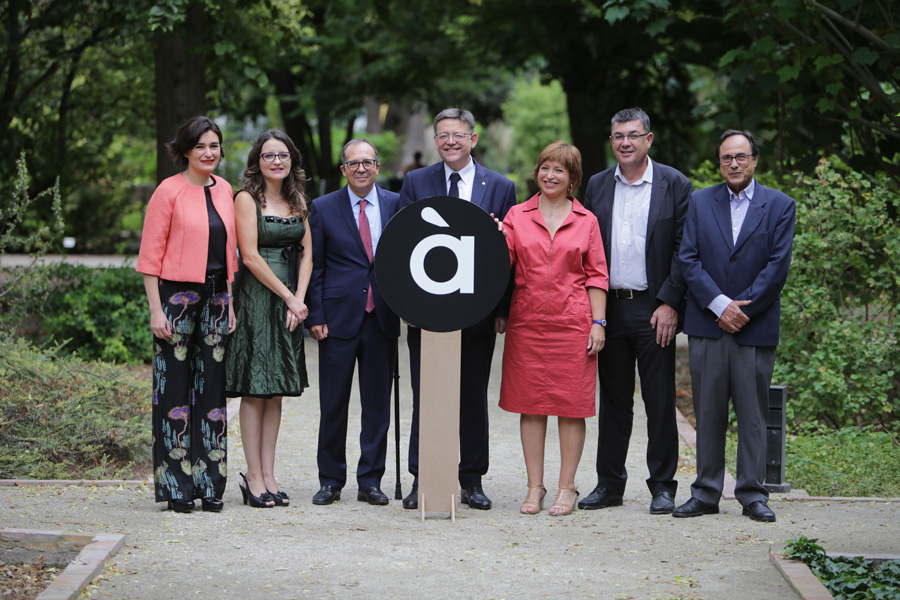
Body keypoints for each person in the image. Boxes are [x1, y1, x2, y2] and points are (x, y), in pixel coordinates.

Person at [673, 129, 795, 523]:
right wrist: (720, 305)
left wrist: (744, 309)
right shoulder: (699, 201)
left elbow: (777, 267)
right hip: (708, 325)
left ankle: (752, 494)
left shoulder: (780, 205)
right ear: (719, 162)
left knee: (753, 413)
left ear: (755, 159)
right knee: (707, 412)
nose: (734, 164)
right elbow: (688, 259)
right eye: (727, 158)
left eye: (741, 157)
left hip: (754, 327)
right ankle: (706, 492)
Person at [399, 107, 517, 511]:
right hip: (426, 313)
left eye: (458, 134)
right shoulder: (416, 181)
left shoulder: (500, 186)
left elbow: (507, 254)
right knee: (425, 394)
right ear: (435, 141)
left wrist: (502, 308)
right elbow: (402, 243)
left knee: (472, 396)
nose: (450, 141)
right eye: (443, 135)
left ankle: (472, 479)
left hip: (479, 309)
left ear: (473, 138)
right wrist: (405, 304)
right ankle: (422, 477)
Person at [579, 108, 692, 515]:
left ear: (649, 139)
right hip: (610, 307)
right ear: (611, 142)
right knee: (613, 403)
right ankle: (609, 485)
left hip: (654, 308)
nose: (624, 142)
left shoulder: (674, 184)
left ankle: (662, 486)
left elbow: (684, 249)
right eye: (617, 136)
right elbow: (588, 246)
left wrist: (669, 302)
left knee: (660, 401)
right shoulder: (596, 185)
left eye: (633, 134)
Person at [498, 141, 608, 516]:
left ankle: (567, 488)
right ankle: (534, 487)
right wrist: (495, 238)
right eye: (545, 167)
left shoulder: (587, 221)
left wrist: (598, 323)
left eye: (559, 170)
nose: (550, 175)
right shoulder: (516, 215)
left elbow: (596, 275)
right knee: (530, 407)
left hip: (572, 324)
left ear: (572, 178)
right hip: (527, 323)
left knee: (571, 407)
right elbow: (502, 263)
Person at [137, 115, 237, 513]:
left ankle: (210, 484)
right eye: (201, 147)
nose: (209, 153)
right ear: (186, 151)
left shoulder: (227, 189)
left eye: (214, 146)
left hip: (217, 298)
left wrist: (231, 304)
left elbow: (231, 254)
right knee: (173, 391)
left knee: (213, 392)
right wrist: (155, 309)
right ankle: (176, 488)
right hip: (175, 299)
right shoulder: (169, 191)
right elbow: (149, 257)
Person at [306, 139, 401, 506]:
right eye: (353, 163)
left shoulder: (396, 204)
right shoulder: (323, 207)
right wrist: (315, 315)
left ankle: (370, 481)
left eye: (368, 162)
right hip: (337, 320)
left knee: (378, 405)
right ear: (343, 170)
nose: (361, 168)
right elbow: (314, 265)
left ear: (377, 167)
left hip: (382, 317)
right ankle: (330, 480)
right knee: (333, 403)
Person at [225, 129, 312, 509]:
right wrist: (289, 297)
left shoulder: (297, 199)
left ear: (292, 160)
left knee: (276, 389)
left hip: (291, 300)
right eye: (268, 155)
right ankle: (253, 477)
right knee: (255, 387)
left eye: (283, 155)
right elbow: (250, 257)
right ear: (257, 161)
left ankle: (270, 475)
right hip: (258, 297)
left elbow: (308, 253)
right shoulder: (246, 198)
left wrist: (300, 301)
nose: (276, 161)